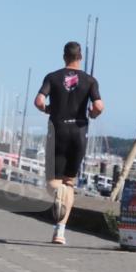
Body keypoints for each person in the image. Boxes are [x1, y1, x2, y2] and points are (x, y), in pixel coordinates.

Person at [34, 41, 104, 245]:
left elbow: (38, 101)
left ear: (64, 56)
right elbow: (99, 106)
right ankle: (60, 232)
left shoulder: (52, 77)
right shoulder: (90, 80)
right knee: (69, 183)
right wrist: (92, 113)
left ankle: (57, 195)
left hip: (58, 131)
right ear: (79, 58)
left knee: (53, 182)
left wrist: (48, 109)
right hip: (79, 133)